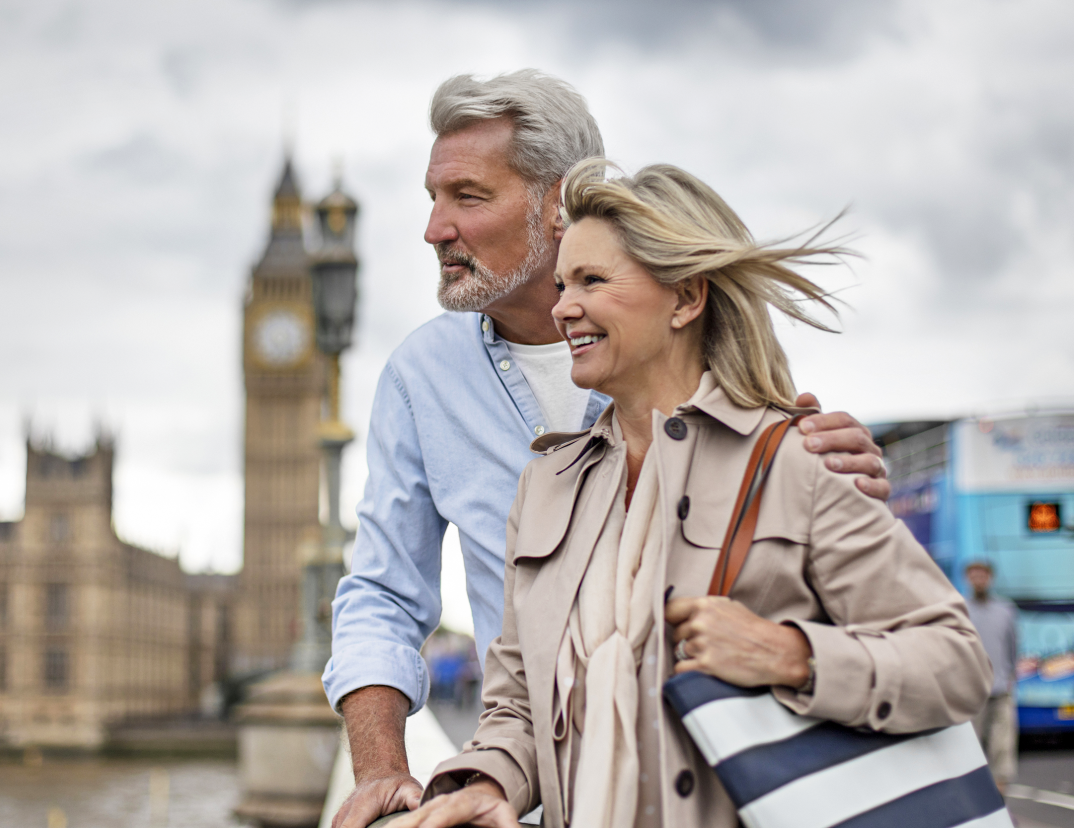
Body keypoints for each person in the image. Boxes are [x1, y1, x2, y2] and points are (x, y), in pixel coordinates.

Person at [324, 71, 892, 828]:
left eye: (467, 196)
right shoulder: (421, 378)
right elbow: (385, 597)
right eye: (432, 198)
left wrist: (844, 491)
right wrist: (382, 769)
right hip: (538, 797)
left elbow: (870, 618)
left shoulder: (701, 350)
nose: (434, 228)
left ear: (556, 204)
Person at [390, 160, 991, 828]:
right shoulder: (545, 487)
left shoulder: (798, 461)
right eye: (562, 283)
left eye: (592, 280)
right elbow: (518, 705)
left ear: (685, 299)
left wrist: (792, 655)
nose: (563, 307)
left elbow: (956, 661)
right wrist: (488, 781)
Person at [965, 561, 1018, 792]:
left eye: (983, 575)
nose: (979, 580)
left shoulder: (1005, 609)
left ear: (990, 578)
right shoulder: (960, 609)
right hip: (971, 690)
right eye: (974, 575)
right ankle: (974, 790)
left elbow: (1012, 646)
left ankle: (1000, 792)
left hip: (1000, 688)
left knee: (1002, 744)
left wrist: (1010, 675)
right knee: (972, 743)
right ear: (968, 579)